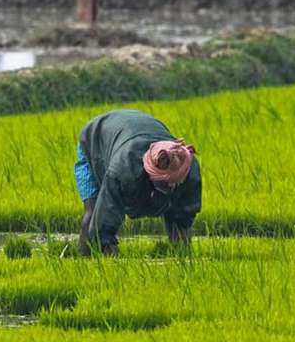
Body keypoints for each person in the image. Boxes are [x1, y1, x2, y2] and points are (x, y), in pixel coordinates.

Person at [74, 109, 202, 256]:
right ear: (150, 173)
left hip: (135, 131)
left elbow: (184, 219)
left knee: (178, 221)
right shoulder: (123, 170)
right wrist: (112, 262)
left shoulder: (188, 165)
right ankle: (83, 262)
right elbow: (103, 224)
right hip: (95, 139)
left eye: (174, 182)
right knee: (93, 211)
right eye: (165, 183)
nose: (170, 187)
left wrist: (183, 255)